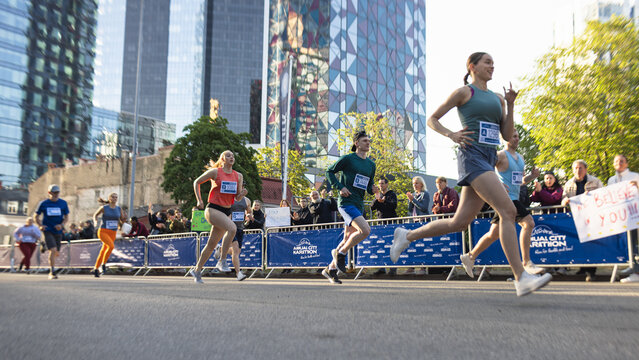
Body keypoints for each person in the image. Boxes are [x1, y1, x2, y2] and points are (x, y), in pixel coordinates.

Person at [389, 52, 552, 296]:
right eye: (487, 62)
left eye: (493, 63)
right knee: (508, 211)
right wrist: (451, 134)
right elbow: (432, 119)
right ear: (472, 66)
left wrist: (510, 103)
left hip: (488, 157)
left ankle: (407, 235)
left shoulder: (497, 98)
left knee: (460, 222)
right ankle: (521, 276)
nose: (492, 66)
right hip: (472, 157)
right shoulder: (465, 93)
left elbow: (507, 135)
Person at [459, 129, 544, 278]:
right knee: (528, 223)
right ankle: (526, 262)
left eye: (517, 136)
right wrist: (496, 183)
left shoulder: (521, 158)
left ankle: (470, 256)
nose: (516, 139)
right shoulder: (500, 155)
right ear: (505, 139)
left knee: (493, 234)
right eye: (513, 136)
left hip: (514, 198)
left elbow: (520, 181)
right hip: (505, 198)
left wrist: (532, 176)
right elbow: (483, 170)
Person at [323, 130, 379, 284]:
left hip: (358, 204)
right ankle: (340, 253)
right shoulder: (348, 159)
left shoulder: (371, 164)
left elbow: (367, 185)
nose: (368, 143)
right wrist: (340, 187)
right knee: (365, 230)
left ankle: (330, 269)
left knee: (348, 237)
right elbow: (329, 171)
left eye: (369, 141)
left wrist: (371, 189)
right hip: (346, 203)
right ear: (357, 144)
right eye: (364, 141)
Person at [189, 150, 246, 283]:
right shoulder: (216, 172)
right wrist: (199, 200)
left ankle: (196, 270)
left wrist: (242, 194)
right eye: (228, 155)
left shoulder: (238, 176)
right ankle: (222, 260)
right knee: (232, 228)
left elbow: (237, 198)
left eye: (233, 155)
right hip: (213, 209)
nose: (231, 157)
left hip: (226, 211)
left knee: (211, 244)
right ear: (222, 159)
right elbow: (197, 182)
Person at [561, 159, 603, 282]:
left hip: (592, 217)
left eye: (580, 168)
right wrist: (565, 202)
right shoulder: (568, 184)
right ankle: (582, 268)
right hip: (576, 217)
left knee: (591, 244)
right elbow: (563, 199)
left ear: (585, 169)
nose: (578, 170)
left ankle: (591, 271)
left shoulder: (595, 181)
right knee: (579, 243)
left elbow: (602, 196)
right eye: (575, 168)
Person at [607, 155, 639, 283]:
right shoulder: (611, 179)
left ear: (626, 163)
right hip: (618, 217)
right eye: (616, 161)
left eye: (621, 161)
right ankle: (632, 265)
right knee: (624, 243)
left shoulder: (635, 176)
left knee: (632, 242)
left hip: (632, 215)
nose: (619, 163)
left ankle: (636, 271)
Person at [214, 188, 252, 281]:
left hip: (240, 227)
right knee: (235, 249)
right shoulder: (229, 198)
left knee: (237, 251)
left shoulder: (247, 200)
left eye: (243, 186)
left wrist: (249, 215)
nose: (241, 188)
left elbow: (249, 211)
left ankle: (221, 249)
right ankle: (238, 273)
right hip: (230, 227)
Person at [34, 184, 70, 280]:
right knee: (53, 250)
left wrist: (61, 225)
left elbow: (66, 217)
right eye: (54, 193)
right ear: (49, 193)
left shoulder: (63, 203)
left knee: (56, 252)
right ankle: (52, 271)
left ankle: (45, 245)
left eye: (57, 192)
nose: (56, 194)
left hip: (58, 231)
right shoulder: (43, 203)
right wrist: (40, 225)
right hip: (48, 230)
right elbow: (35, 216)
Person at [91, 193, 126, 277]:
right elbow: (95, 215)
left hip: (113, 232)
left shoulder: (118, 209)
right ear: (109, 198)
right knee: (111, 246)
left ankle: (95, 268)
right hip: (103, 231)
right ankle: (103, 264)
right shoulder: (104, 208)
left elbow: (121, 220)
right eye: (113, 197)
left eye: (116, 197)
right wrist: (95, 222)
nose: (114, 199)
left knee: (103, 250)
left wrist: (123, 221)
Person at [405, 175, 430, 275]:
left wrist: (413, 200)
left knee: (423, 244)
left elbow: (423, 208)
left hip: (423, 221)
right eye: (413, 184)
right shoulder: (414, 195)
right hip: (415, 221)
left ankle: (423, 267)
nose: (414, 185)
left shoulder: (425, 194)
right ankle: (412, 267)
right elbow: (410, 210)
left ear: (421, 184)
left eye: (416, 183)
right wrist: (411, 200)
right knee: (413, 244)